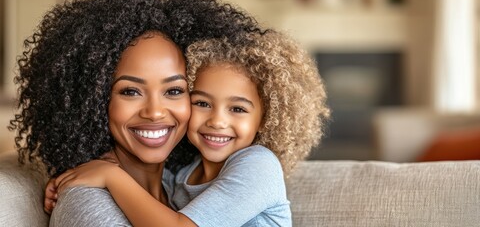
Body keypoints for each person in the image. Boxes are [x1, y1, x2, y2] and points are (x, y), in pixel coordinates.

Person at [9, 0, 266, 226]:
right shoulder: (89, 203)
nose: (154, 111)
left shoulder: (176, 183)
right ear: (95, 99)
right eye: (130, 91)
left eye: (174, 91)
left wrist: (112, 176)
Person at [54, 30, 330, 226]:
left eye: (237, 109)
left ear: (266, 118)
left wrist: (111, 177)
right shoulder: (179, 180)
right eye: (202, 103)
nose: (217, 121)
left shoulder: (258, 165)